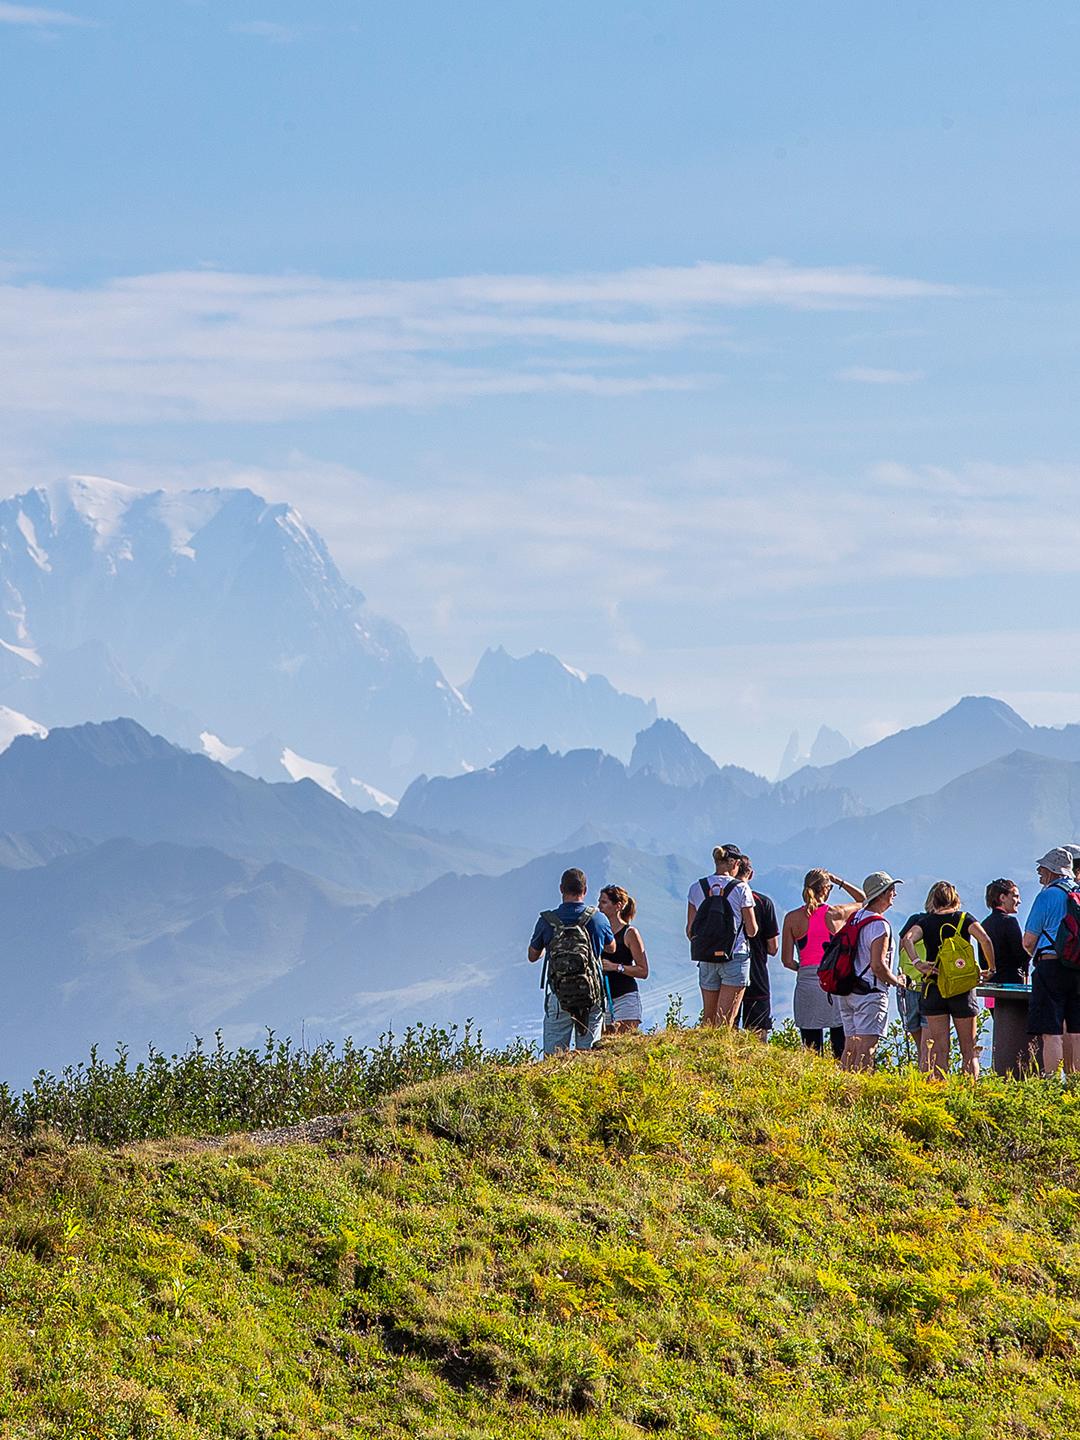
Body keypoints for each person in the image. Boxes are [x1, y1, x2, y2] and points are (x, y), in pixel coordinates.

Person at [901, 881, 995, 1078]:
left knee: (939, 1050)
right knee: (968, 1050)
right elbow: (985, 939)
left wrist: (918, 963)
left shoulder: (925, 922)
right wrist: (990, 968)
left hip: (934, 986)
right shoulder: (964, 919)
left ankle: (940, 1092)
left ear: (934, 900)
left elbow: (907, 938)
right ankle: (970, 1092)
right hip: (962, 988)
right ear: (956, 898)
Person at [528, 867, 615, 1056]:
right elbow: (612, 948)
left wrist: (548, 948)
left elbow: (532, 956)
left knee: (555, 1057)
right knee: (590, 1056)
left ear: (561, 889)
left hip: (559, 996)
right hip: (591, 995)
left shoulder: (547, 920)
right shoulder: (598, 918)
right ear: (585, 890)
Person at [780, 869, 864, 1058]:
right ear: (826, 889)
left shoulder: (791, 918)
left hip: (807, 982)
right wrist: (839, 880)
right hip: (833, 980)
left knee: (811, 1048)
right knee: (840, 1043)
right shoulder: (836, 913)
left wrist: (804, 969)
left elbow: (786, 960)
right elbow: (864, 901)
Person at [836, 872, 906, 1073]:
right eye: (891, 890)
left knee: (850, 1047)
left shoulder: (856, 918)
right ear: (882, 894)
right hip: (870, 992)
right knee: (867, 1049)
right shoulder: (879, 925)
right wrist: (897, 981)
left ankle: (842, 1089)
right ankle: (860, 1093)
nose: (894, 894)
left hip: (848, 989)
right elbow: (878, 965)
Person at [686, 844, 759, 1027]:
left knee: (708, 1019)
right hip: (735, 955)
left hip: (707, 956)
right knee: (724, 1022)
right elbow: (752, 930)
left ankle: (703, 1054)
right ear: (734, 862)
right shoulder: (741, 889)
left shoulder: (697, 887)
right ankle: (721, 1054)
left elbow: (690, 930)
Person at [1024, 847, 1080, 1075]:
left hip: (1050, 964)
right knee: (1077, 1029)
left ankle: (1053, 1082)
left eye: (1043, 868)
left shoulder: (1047, 896)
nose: (1039, 872)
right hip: (1077, 967)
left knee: (1052, 1029)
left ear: (1053, 871)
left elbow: (1028, 941)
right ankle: (1076, 1082)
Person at [735, 856, 780, 1040]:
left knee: (726, 1024)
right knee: (758, 1032)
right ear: (751, 874)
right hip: (756, 970)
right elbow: (773, 947)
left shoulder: (721, 898)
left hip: (727, 966)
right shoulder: (763, 902)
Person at [597, 885, 649, 1033]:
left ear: (618, 906)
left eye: (604, 902)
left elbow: (643, 970)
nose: (599, 907)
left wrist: (615, 967)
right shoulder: (599, 933)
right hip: (603, 999)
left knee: (623, 1043)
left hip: (625, 998)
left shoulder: (629, 933)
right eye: (599, 902)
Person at [982, 879, 1028, 986]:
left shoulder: (984, 924)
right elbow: (1020, 955)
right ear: (1002, 898)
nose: (1019, 901)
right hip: (1012, 984)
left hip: (991, 984)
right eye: (1015, 896)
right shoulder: (1009, 922)